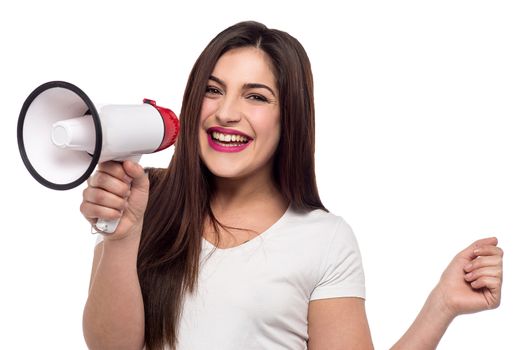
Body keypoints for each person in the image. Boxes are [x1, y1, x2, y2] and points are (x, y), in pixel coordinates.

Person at [81, 21, 504, 350]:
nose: (226, 112)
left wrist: (441, 306)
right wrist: (120, 238)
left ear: (291, 118)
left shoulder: (323, 240)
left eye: (256, 97)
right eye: (213, 90)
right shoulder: (143, 198)